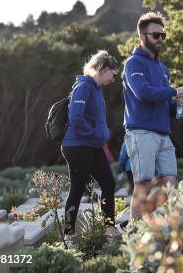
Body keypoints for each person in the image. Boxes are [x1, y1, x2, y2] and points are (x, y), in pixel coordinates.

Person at [123, 12, 183, 220]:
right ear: (142, 36)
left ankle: (136, 221)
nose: (160, 39)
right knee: (142, 184)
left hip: (163, 133)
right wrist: (172, 91)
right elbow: (143, 93)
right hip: (141, 132)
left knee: (170, 185)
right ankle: (133, 231)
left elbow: (168, 108)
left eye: (163, 35)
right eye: (155, 35)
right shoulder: (133, 63)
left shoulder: (162, 68)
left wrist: (179, 106)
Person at [61, 50, 119, 239]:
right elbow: (75, 117)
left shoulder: (96, 89)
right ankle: (69, 233)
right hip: (77, 146)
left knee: (108, 184)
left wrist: (104, 134)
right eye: (113, 73)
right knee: (78, 187)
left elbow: (96, 120)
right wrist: (95, 134)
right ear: (105, 69)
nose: (114, 77)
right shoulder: (84, 86)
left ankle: (109, 228)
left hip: (92, 145)